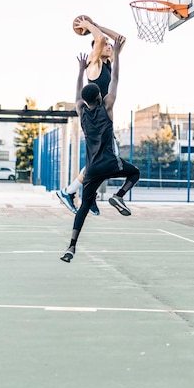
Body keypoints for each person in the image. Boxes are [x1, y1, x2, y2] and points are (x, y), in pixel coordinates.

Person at [60, 36, 140, 263]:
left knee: (84, 206)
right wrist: (116, 54)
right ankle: (118, 196)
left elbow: (77, 94)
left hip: (92, 168)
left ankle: (71, 247)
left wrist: (80, 71)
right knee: (134, 173)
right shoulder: (108, 106)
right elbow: (115, 78)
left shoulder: (81, 112)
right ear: (100, 96)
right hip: (111, 164)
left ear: (86, 101)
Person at [57, 15, 126, 216]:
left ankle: (76, 194)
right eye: (104, 45)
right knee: (106, 161)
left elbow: (120, 39)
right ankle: (78, 194)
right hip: (96, 120)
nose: (109, 46)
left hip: (103, 120)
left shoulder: (108, 61)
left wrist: (96, 25)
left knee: (97, 163)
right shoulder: (93, 63)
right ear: (96, 47)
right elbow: (103, 40)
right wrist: (88, 26)